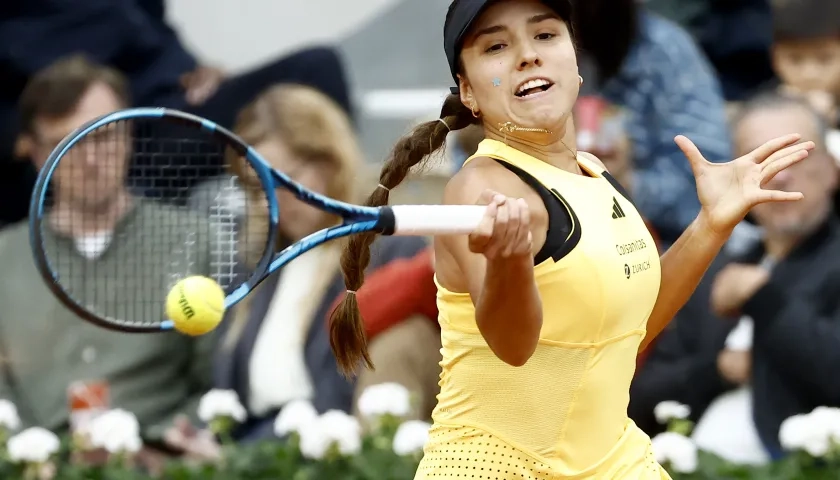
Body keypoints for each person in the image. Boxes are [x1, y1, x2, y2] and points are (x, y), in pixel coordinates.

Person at [328, 0, 814, 478]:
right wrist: (508, 264)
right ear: (469, 92)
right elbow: (514, 348)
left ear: (576, 64)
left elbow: (631, 326)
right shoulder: (481, 189)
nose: (527, 54)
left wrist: (711, 224)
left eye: (545, 35)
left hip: (613, 460)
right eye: (496, 46)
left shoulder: (595, 174)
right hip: (499, 466)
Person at [187, 85, 427, 443]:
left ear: (330, 162)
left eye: (285, 180)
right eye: (258, 189)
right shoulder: (255, 264)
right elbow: (227, 395)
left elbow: (361, 393)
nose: (273, 203)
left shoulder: (391, 249)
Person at [0, 56, 214, 453]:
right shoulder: (4, 260)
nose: (92, 159)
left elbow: (219, 378)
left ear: (130, 134)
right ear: (35, 152)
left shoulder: (197, 242)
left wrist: (172, 443)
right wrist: (28, 454)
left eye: (103, 136)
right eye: (69, 143)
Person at [630, 93, 840, 465]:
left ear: (833, 169)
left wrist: (765, 299)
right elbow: (641, 398)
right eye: (762, 159)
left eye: (796, 155)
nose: (781, 173)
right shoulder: (715, 270)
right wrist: (718, 370)